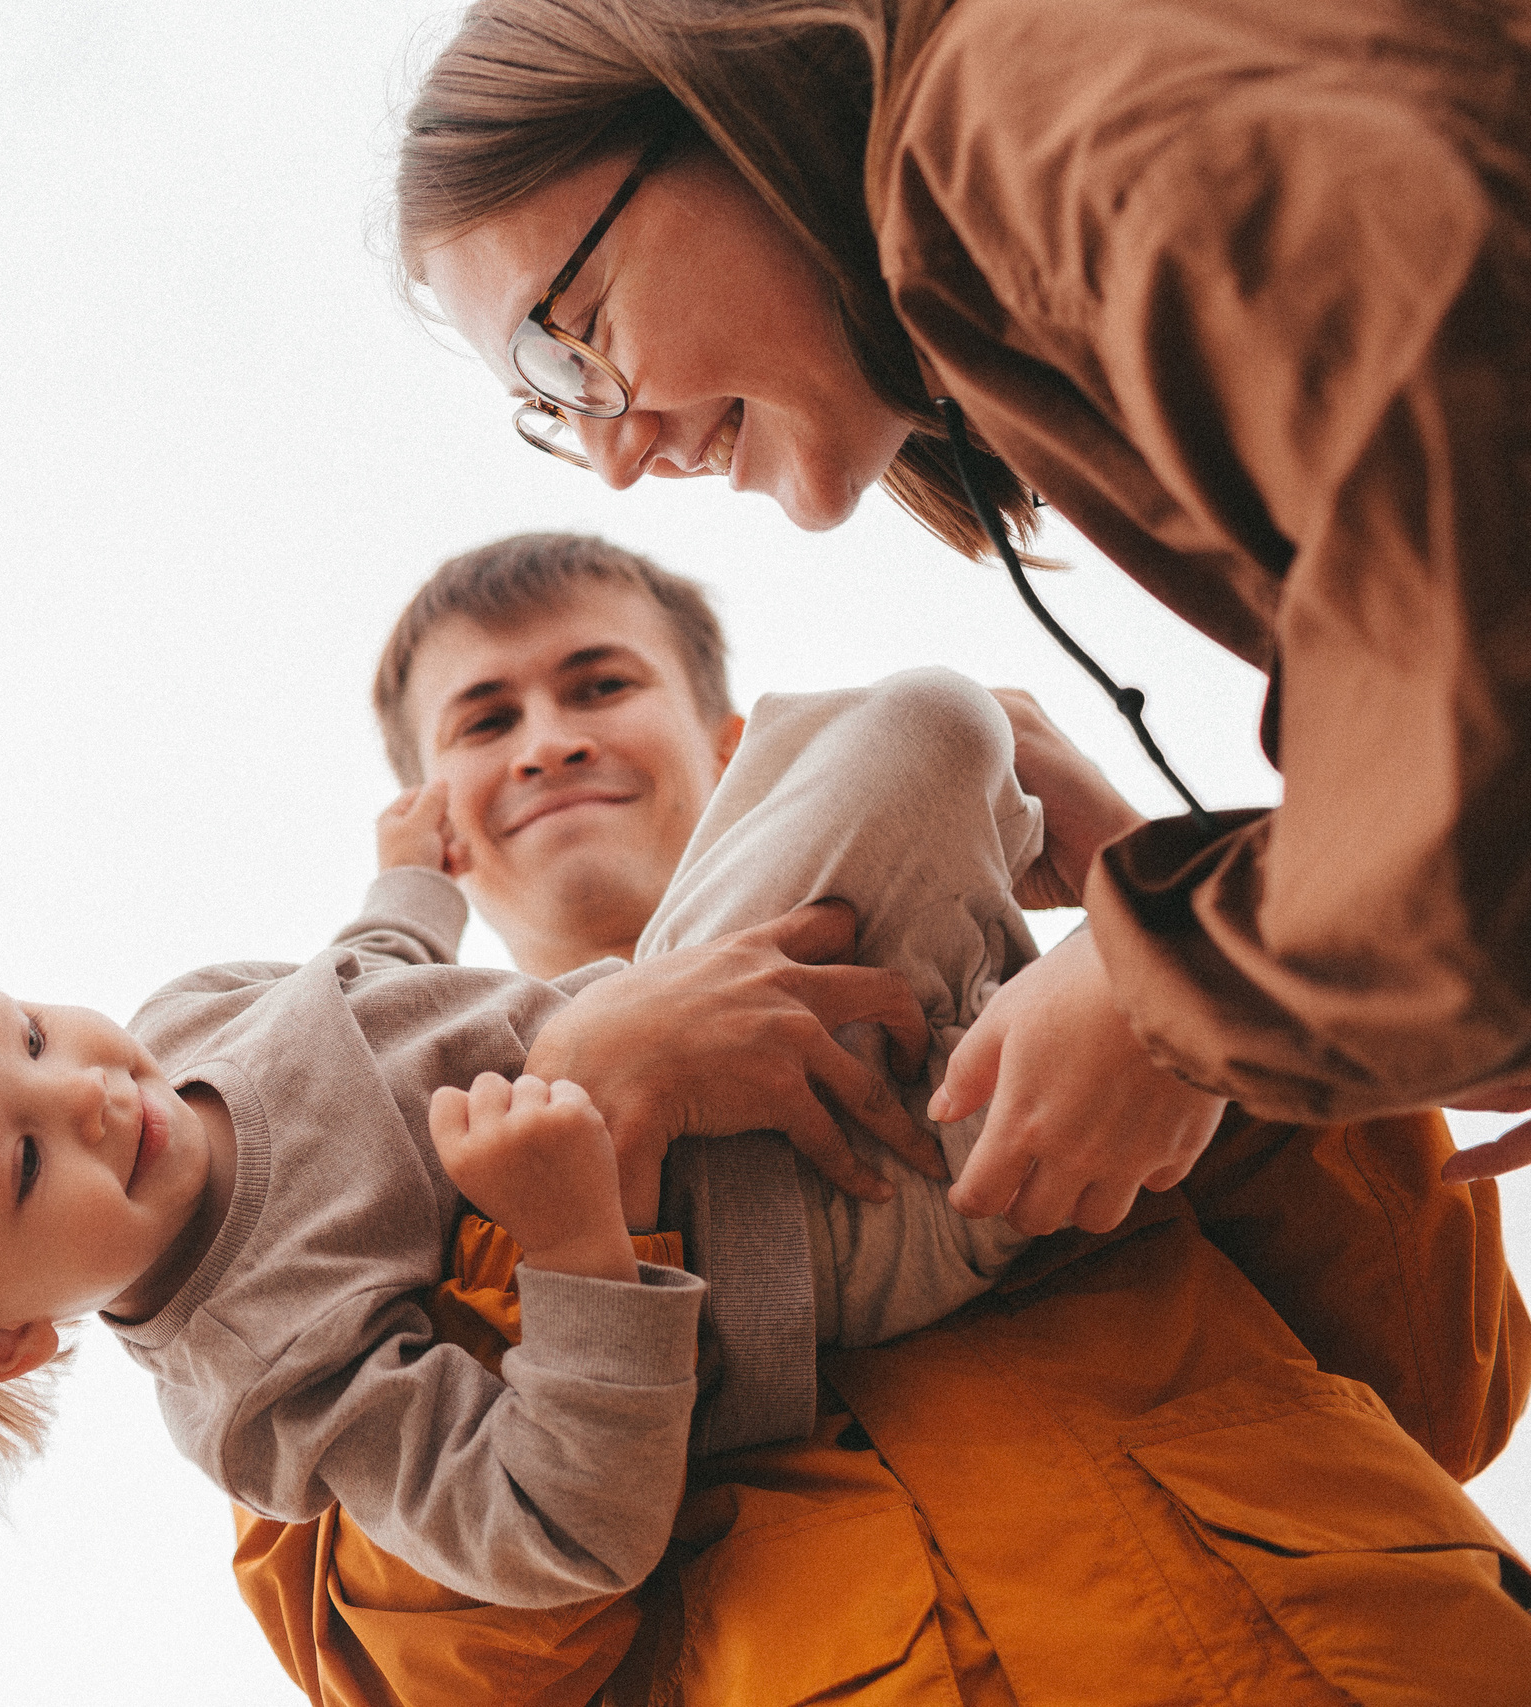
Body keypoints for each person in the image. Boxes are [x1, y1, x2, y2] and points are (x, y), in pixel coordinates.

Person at [229, 533, 1529, 1705]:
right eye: (484, 717)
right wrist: (585, 1142)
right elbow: (450, 1679)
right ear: (432, 833)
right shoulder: (339, 1227)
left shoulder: (1040, 1014)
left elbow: (1441, 1368)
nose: (550, 738)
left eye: (602, 684)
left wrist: (1161, 913)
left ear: (734, 748)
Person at [393, 0, 1531, 1226]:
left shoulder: (1037, 116)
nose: (612, 456)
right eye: (550, 409)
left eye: (567, 348)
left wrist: (1160, 991)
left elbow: (1483, 725)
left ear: (714, 106)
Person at [0, 662, 1072, 1608]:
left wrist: (407, 868)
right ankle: (1052, 1028)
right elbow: (560, 1524)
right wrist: (579, 1236)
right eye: (27, 1165)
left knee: (873, 720)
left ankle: (1082, 915)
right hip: (835, 1218)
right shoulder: (255, 1375)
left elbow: (362, 974)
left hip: (737, 1008)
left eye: (28, 1034)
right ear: (7, 1340)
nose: (87, 1092)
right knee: (946, 755)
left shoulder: (191, 1014)